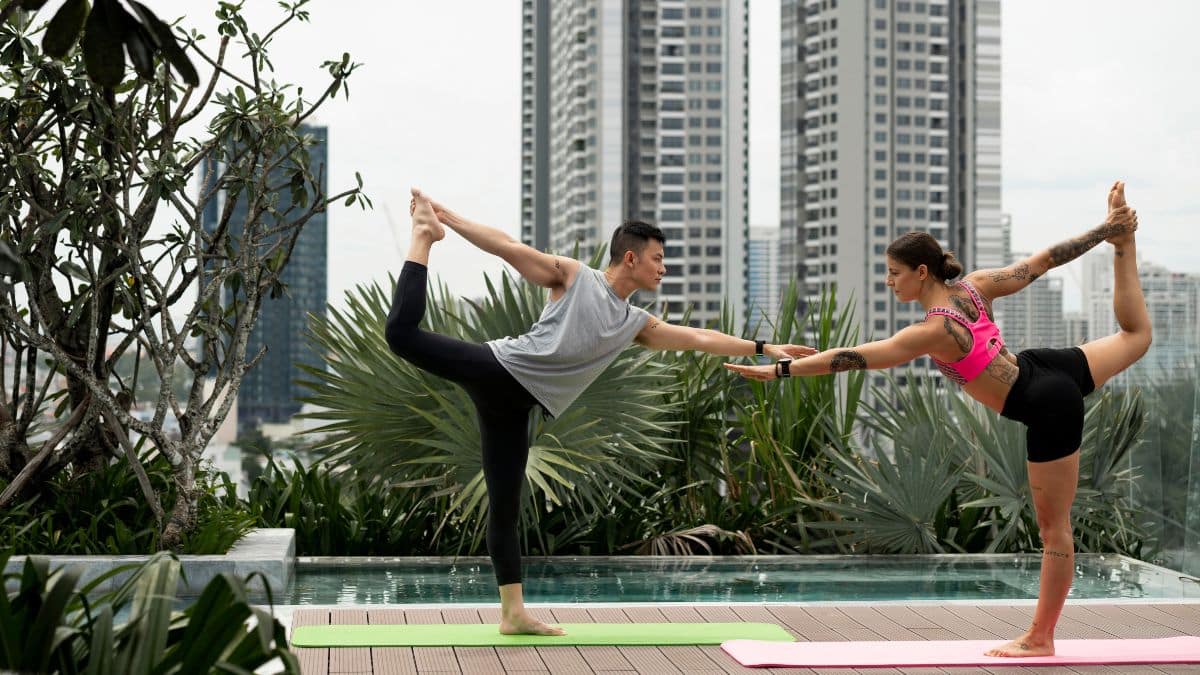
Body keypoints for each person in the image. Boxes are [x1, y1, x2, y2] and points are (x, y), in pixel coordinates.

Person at [725, 181, 1148, 658]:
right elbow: (1046, 258)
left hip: (1045, 405)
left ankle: (1040, 638)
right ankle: (1123, 245)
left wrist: (781, 370)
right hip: (1045, 367)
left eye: (893, 273)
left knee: (1055, 529)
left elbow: (856, 356)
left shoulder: (934, 330)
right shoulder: (976, 287)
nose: (889, 282)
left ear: (921, 272)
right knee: (1136, 336)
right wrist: (1106, 230)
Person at [385, 188, 813, 635]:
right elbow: (510, 248)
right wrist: (447, 218)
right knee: (400, 334)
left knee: (506, 508)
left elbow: (700, 338)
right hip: (497, 369)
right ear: (631, 258)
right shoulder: (574, 276)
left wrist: (765, 347)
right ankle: (423, 237)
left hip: (516, 406)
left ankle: (512, 614)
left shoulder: (635, 324)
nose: (663, 268)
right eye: (658, 259)